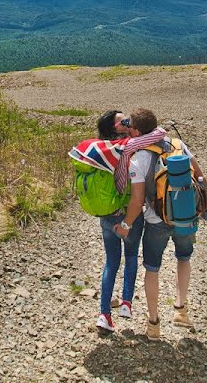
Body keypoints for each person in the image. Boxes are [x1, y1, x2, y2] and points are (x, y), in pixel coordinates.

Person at [113, 108, 207, 341]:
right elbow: (200, 176)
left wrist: (125, 225)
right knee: (183, 258)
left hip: (157, 222)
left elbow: (137, 201)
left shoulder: (138, 158)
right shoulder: (176, 144)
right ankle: (181, 310)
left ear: (134, 131)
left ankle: (154, 324)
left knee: (152, 269)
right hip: (185, 217)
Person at [93, 110, 145, 333]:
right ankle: (126, 304)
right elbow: (158, 133)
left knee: (111, 262)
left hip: (107, 213)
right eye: (124, 121)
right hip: (129, 211)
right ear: (117, 128)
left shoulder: (99, 150)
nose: (128, 123)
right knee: (131, 255)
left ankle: (104, 314)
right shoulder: (128, 146)